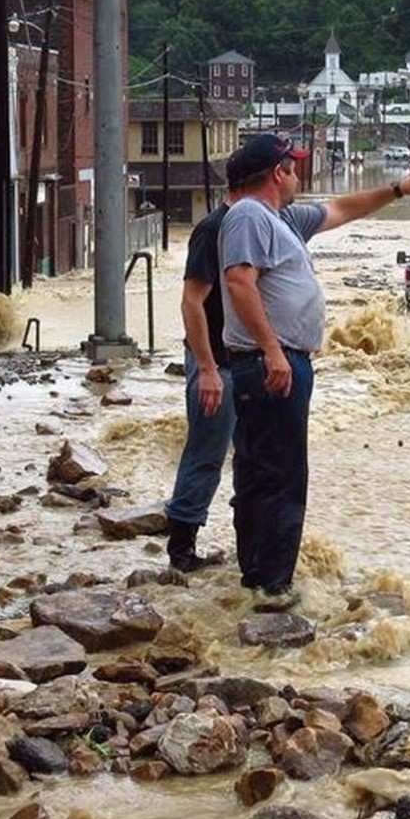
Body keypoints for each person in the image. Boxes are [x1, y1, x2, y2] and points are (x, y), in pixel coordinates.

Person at [219, 134, 410, 611]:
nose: (298, 174)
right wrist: (272, 350)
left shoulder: (283, 220)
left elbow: (341, 208)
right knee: (281, 477)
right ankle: (273, 589)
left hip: (278, 360)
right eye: (292, 167)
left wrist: (397, 190)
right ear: (277, 173)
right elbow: (239, 282)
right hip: (272, 363)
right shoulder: (250, 215)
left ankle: (257, 579)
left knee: (262, 472)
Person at [160, 179, 248, 574]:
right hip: (216, 364)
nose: (290, 179)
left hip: (241, 363)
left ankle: (244, 545)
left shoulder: (252, 225)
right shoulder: (214, 229)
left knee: (244, 456)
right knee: (206, 453)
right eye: (284, 172)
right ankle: (181, 550)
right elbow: (191, 302)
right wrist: (208, 368)